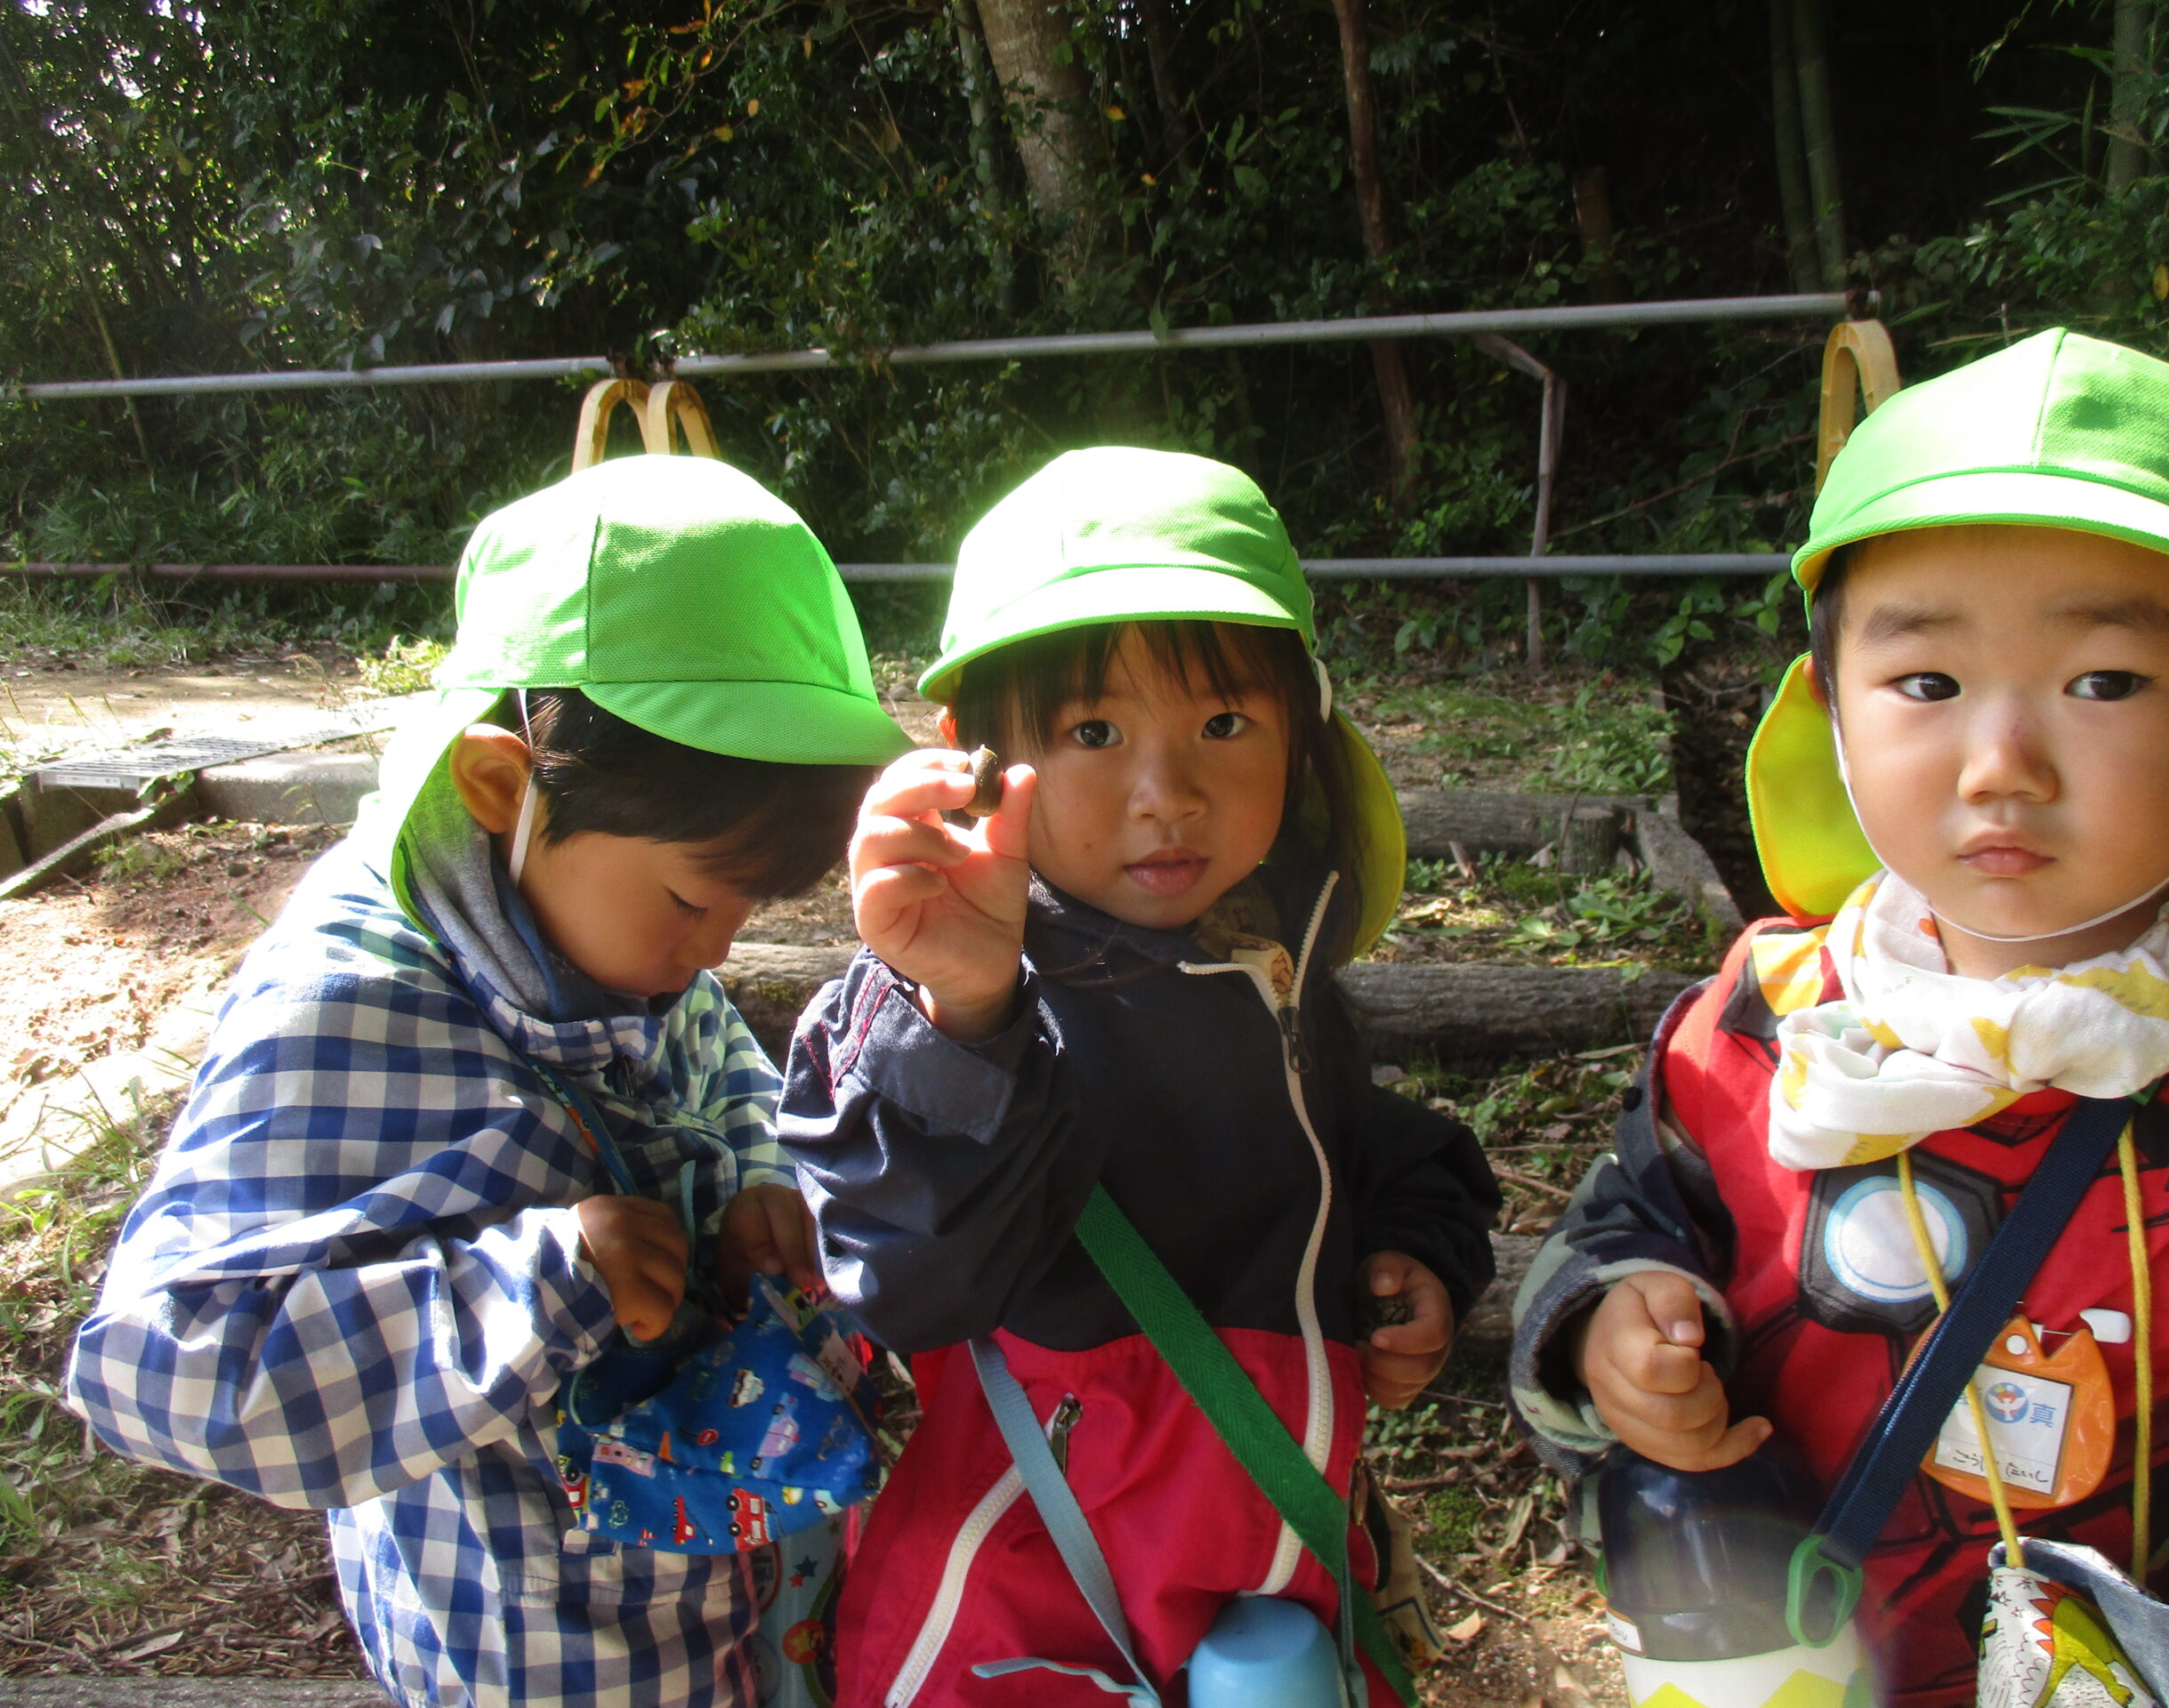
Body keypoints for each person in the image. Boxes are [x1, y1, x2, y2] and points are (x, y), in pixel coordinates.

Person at [65, 455, 914, 1708]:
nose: (719, 953)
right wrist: (533, 1285)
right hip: (539, 1655)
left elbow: (720, 1055)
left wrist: (759, 1169)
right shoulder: (343, 1014)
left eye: (753, 905)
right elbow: (164, 1367)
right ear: (503, 786)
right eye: (695, 898)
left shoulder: (605, 939)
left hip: (739, 1614)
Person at [1507, 329, 2169, 1706]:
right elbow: (1632, 1223)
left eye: (2103, 681)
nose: (2001, 765)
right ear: (1834, 715)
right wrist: (1611, 1325)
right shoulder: (1755, 1024)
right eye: (1926, 684)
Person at [778, 447, 1498, 1706]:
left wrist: (1414, 1254)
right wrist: (963, 1009)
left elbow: (1377, 1152)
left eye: (1225, 724)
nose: (1167, 797)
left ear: (1303, 725)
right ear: (977, 757)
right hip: (1025, 1611)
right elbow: (906, 1275)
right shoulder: (946, 1001)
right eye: (1093, 733)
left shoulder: (1275, 967)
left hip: (1279, 1581)